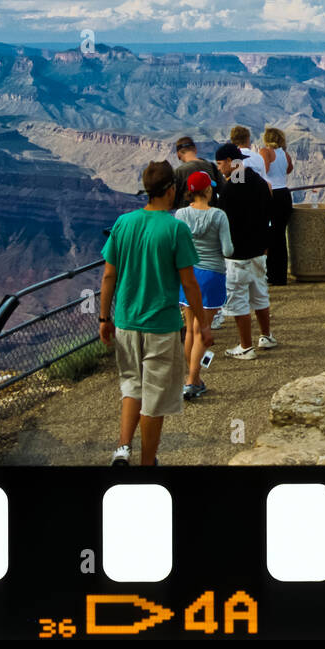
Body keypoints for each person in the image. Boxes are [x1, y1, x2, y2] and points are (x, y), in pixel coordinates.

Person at [98, 160, 204, 465]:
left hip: (127, 323)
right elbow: (189, 282)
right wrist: (201, 323)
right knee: (154, 401)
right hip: (161, 326)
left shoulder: (123, 223)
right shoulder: (175, 229)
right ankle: (147, 463)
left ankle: (122, 449)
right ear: (171, 190)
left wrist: (105, 318)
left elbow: (108, 277)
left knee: (132, 386)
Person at [214, 143, 277, 358]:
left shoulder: (230, 189)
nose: (220, 168)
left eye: (221, 164)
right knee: (260, 295)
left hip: (237, 253)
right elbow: (268, 211)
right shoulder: (258, 181)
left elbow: (224, 222)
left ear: (231, 162)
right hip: (259, 250)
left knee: (239, 299)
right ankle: (266, 336)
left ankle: (245, 346)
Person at [174, 170, 232, 399]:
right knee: (201, 331)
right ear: (208, 190)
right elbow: (228, 250)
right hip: (211, 276)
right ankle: (191, 382)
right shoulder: (218, 216)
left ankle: (194, 378)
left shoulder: (180, 214)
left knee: (190, 329)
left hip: (189, 274)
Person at [258, 126, 294, 286]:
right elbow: (289, 169)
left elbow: (263, 169)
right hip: (285, 195)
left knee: (269, 235)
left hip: (272, 195)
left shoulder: (265, 152)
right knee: (280, 235)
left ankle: (271, 274)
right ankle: (280, 276)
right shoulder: (284, 153)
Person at [171, 136, 218, 209]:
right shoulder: (212, 167)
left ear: (178, 154)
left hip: (186, 218)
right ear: (195, 150)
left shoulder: (179, 172)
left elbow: (172, 199)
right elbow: (224, 191)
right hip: (212, 215)